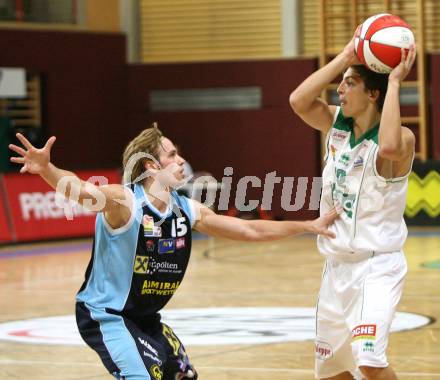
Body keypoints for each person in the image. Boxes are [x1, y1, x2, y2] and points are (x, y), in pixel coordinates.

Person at [9, 124, 338, 380]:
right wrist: (47, 170)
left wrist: (306, 226)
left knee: (182, 375)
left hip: (146, 319)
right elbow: (81, 191)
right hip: (107, 315)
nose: (182, 161)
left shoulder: (186, 209)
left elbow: (249, 229)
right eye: (172, 155)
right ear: (152, 165)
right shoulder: (125, 202)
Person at [289, 28, 416, 380]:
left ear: (372, 93)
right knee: (332, 372)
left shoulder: (402, 137)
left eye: (349, 83)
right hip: (336, 267)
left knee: (370, 364)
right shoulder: (336, 124)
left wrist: (395, 83)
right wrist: (346, 57)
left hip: (376, 267)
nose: (339, 90)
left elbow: (389, 146)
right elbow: (298, 101)